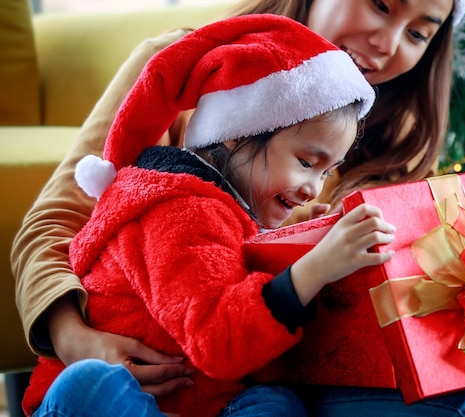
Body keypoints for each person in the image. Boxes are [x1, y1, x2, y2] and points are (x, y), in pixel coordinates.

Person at [14, 0, 465, 416]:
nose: (387, 46)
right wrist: (72, 337)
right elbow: (57, 223)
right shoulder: (195, 78)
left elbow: (417, 286)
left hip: (292, 373)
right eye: (380, 4)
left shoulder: (394, 123)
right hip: (186, 365)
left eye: (420, 31)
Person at [21, 14, 382, 417]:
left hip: (200, 397)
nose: (313, 188)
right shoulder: (183, 211)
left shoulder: (229, 202)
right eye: (305, 162)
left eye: (326, 172)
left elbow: (229, 269)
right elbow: (218, 337)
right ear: (238, 133)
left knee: (276, 403)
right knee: (94, 387)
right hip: (128, 394)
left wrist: (298, 240)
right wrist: (315, 267)